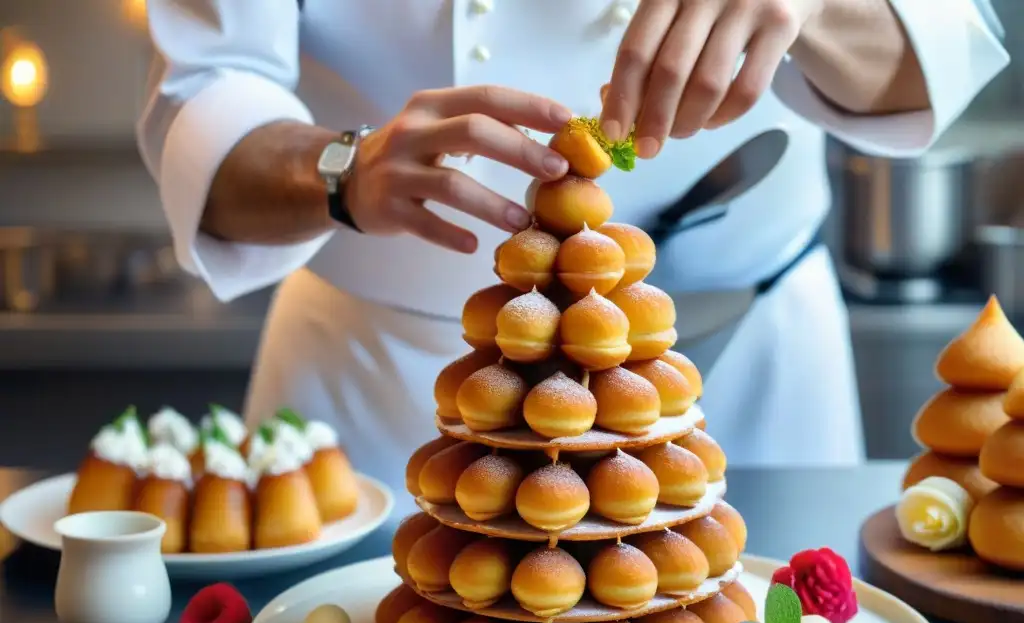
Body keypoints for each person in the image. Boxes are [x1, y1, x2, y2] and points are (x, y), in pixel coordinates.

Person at [138, 0, 1007, 514]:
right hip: (378, 390)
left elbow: (941, 55)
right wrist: (338, 170)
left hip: (756, 373)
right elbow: (199, 103)